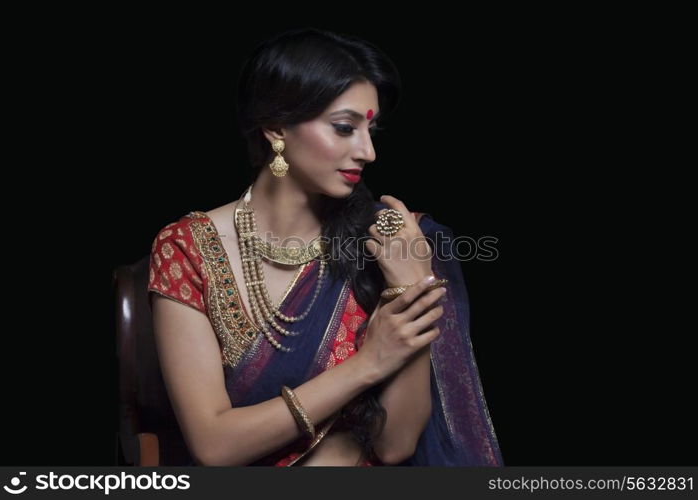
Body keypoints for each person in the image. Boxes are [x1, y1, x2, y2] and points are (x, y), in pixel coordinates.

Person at [147, 27, 503, 467]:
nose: (368, 151)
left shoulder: (393, 240)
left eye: (371, 130)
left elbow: (395, 445)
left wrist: (413, 287)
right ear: (276, 126)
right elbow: (215, 445)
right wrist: (366, 364)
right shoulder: (187, 248)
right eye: (344, 128)